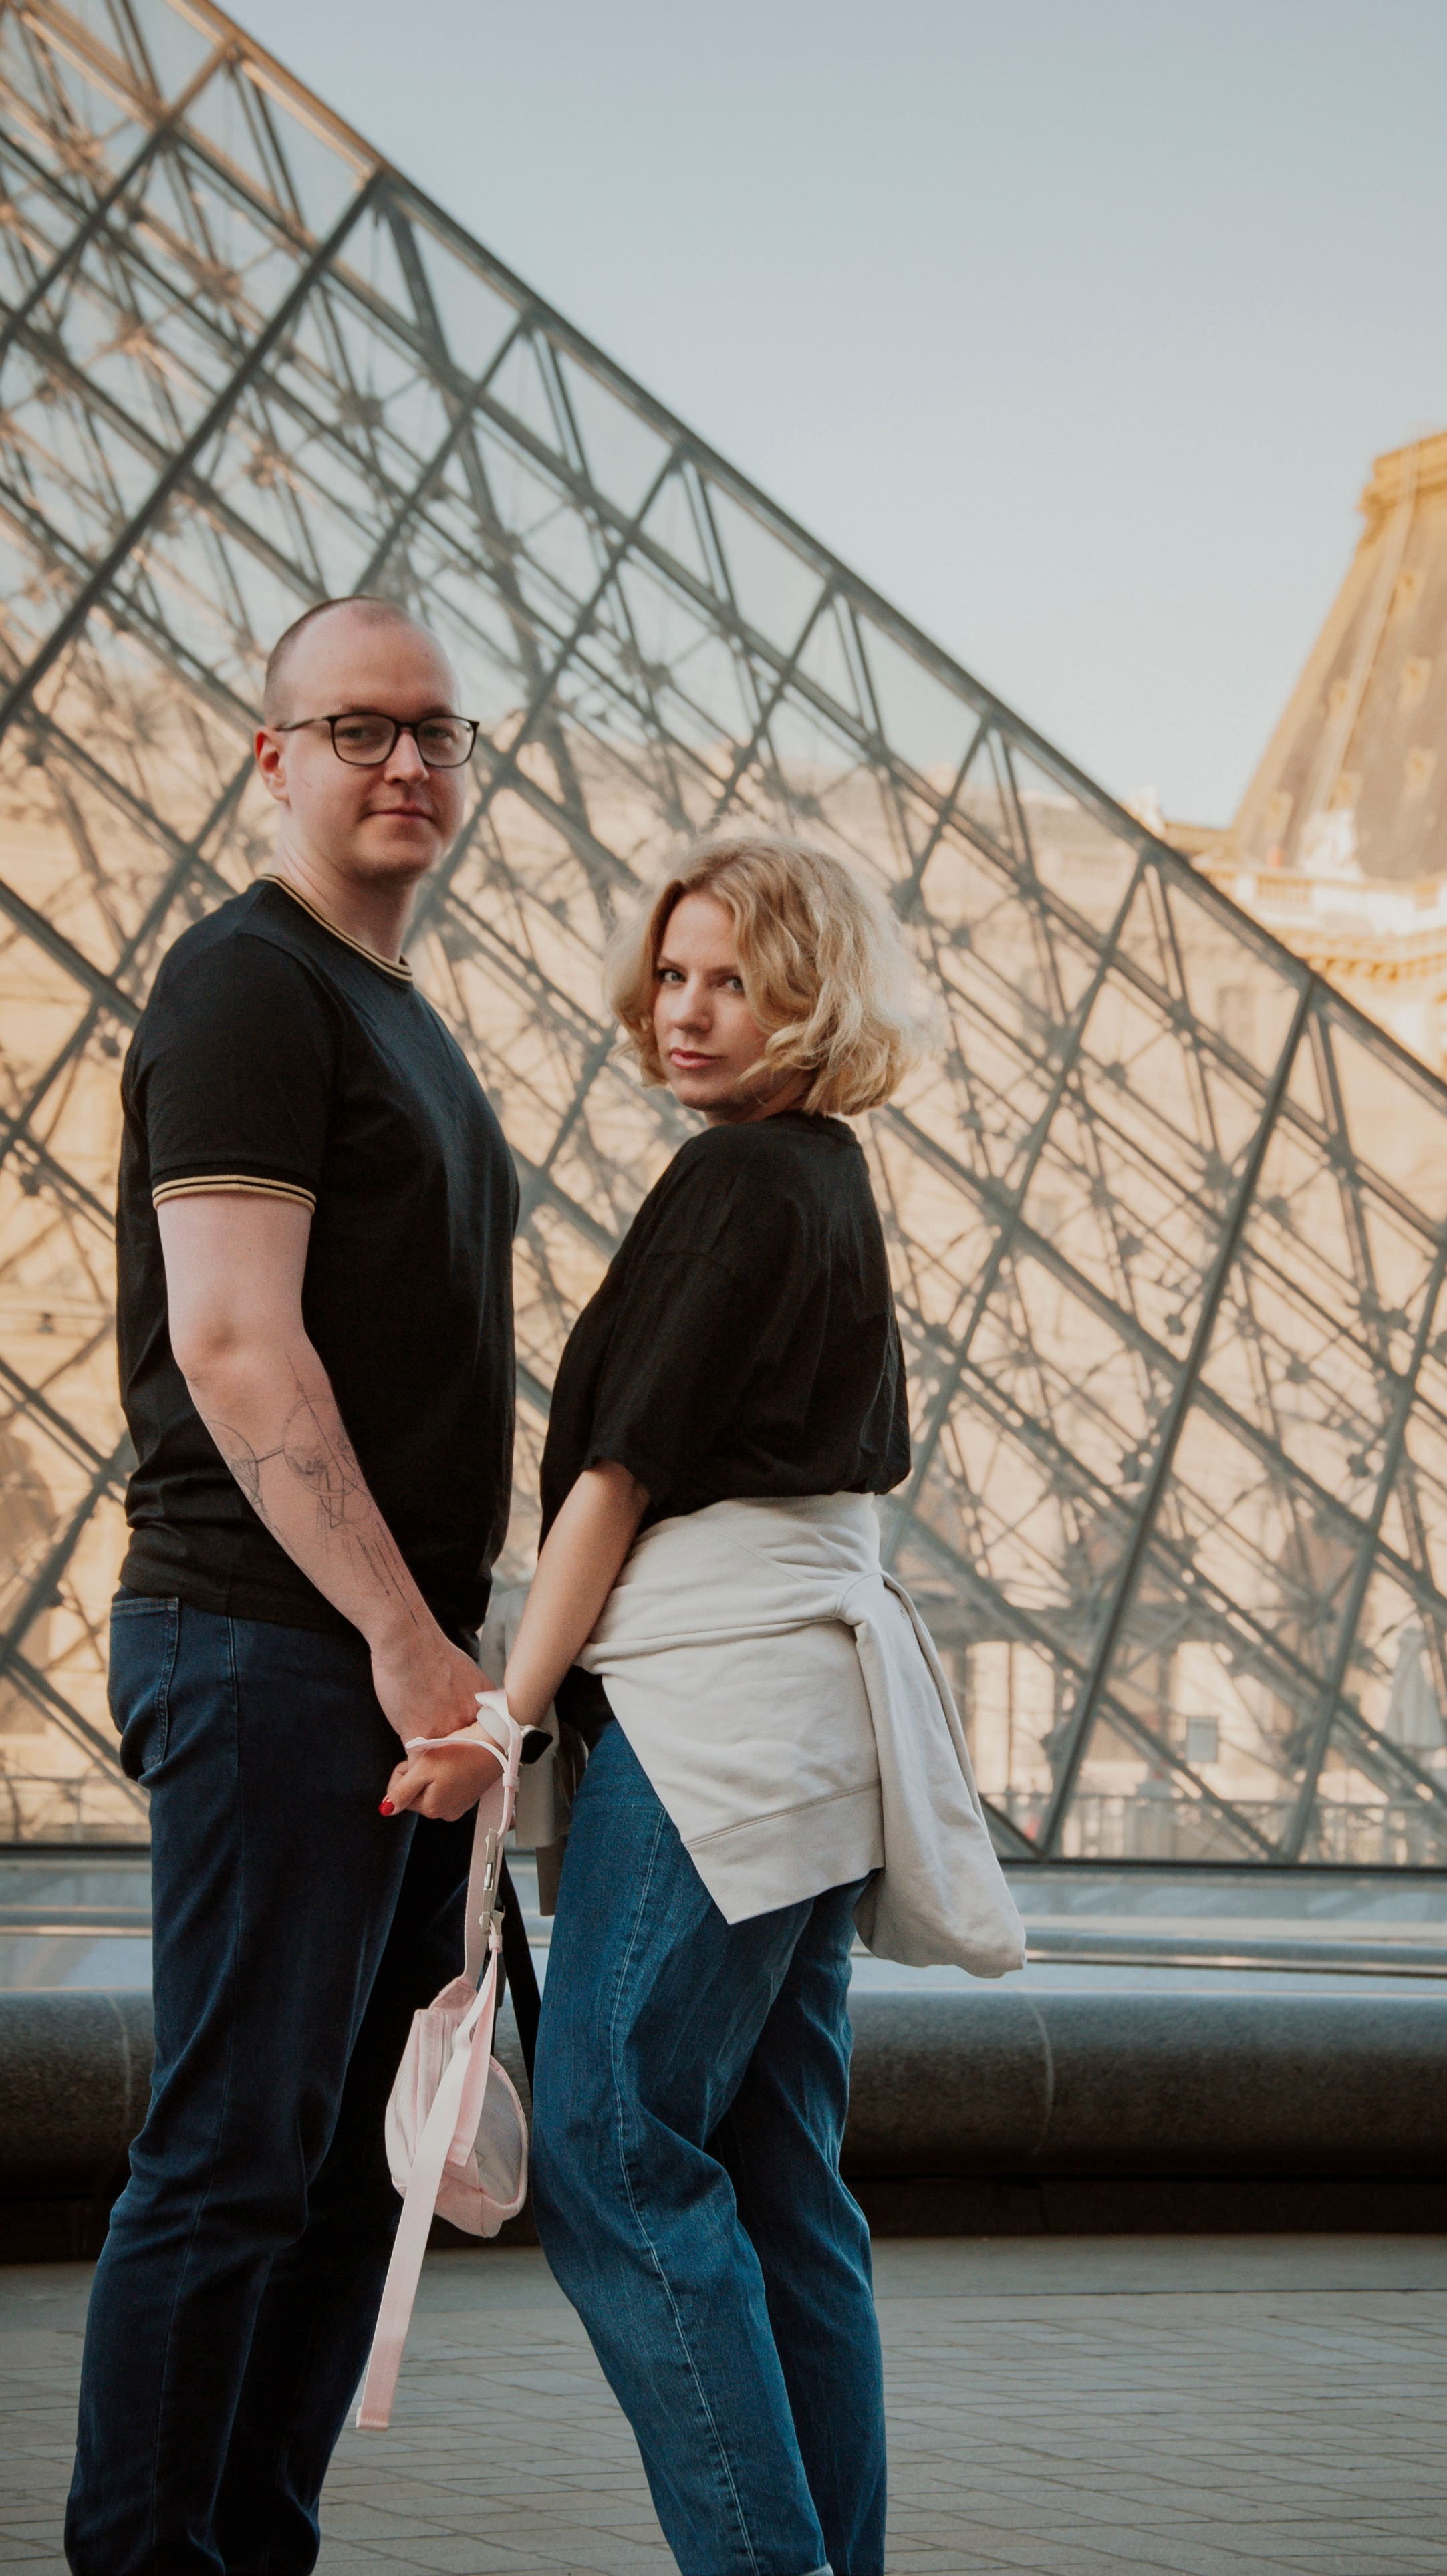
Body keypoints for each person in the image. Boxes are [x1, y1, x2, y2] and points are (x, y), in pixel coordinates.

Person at [386, 827, 1021, 2576]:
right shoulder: (828, 1176)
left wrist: (499, 1717)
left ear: (808, 992)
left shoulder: (739, 1181)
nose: (686, 1009)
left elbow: (612, 1482)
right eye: (672, 973)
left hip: (714, 1728)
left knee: (608, 2141)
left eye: (733, 979)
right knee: (780, 2176)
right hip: (815, 1736)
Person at [66, 595, 520, 2576]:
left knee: (345, 2173)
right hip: (273, 1643)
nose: (406, 762)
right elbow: (239, 1348)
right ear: (274, 759)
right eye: (357, 729)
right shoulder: (251, 988)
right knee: (238, 2157)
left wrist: (449, 1655)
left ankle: (251, 2553)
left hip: (375, 1665)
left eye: (437, 734)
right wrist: (417, 1640)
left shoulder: (396, 1010)